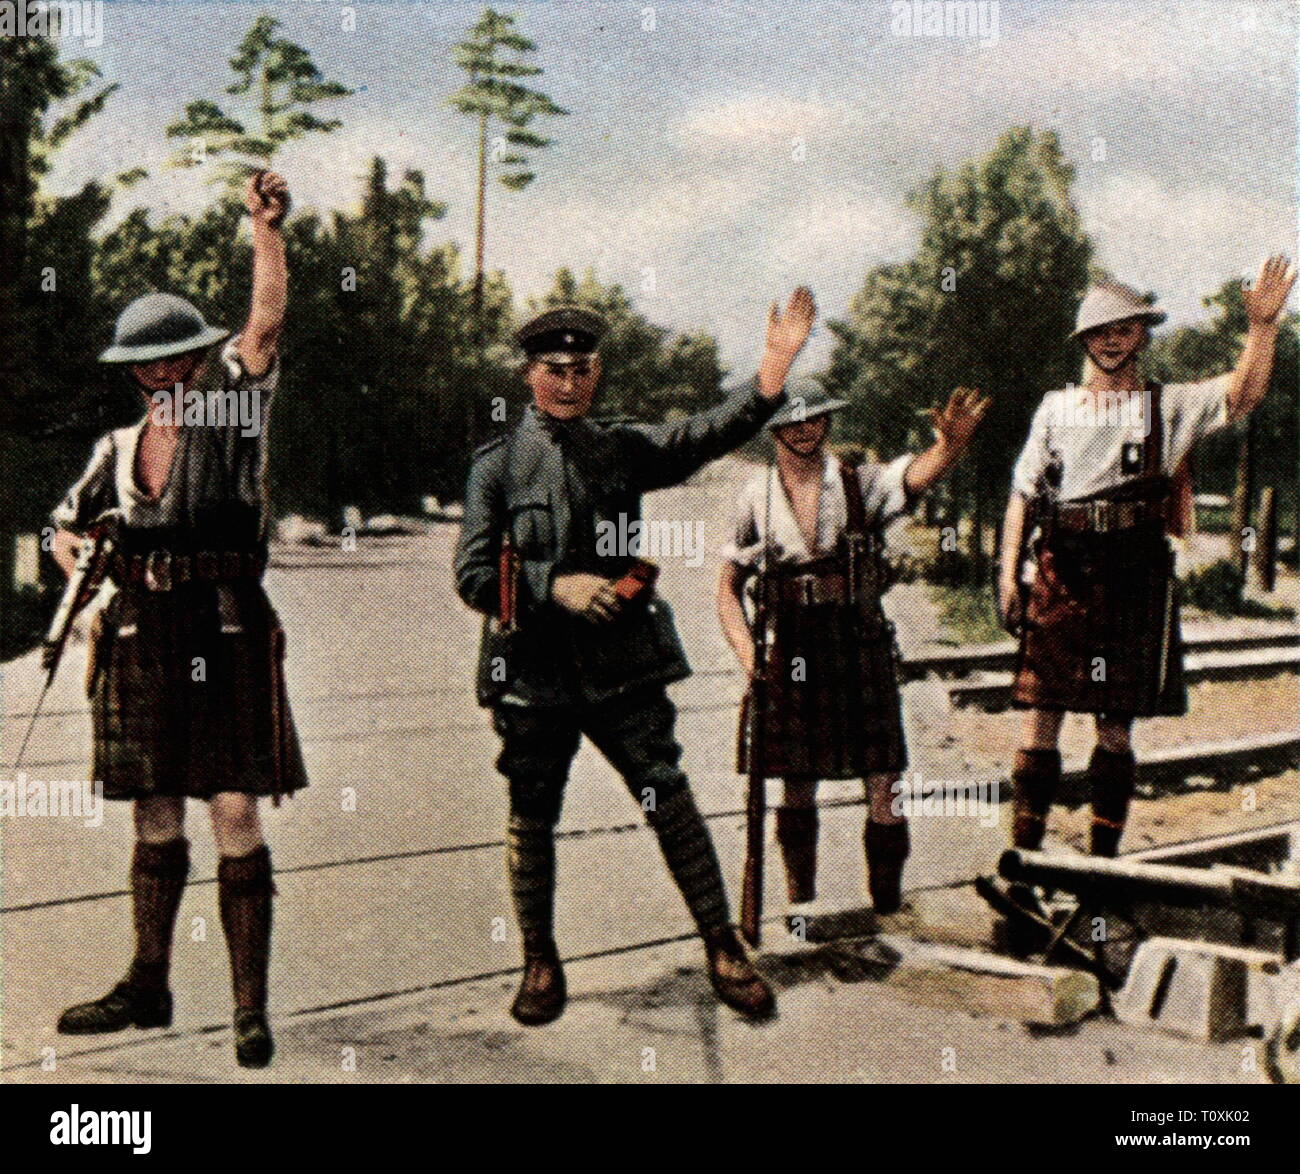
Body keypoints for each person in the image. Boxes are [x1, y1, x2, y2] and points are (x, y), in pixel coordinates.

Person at [454, 289, 817, 1025]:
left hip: (623, 669)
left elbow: (703, 434)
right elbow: (469, 576)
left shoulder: (620, 448)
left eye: (581, 367)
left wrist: (772, 371)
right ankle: (540, 962)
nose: (567, 381)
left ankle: (721, 946)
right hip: (534, 676)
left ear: (597, 373)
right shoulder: (496, 466)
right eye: (553, 368)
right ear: (528, 374)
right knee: (532, 813)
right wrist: (553, 585)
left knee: (667, 796)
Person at [52, 172, 304, 1068]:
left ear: (198, 361)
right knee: (152, 809)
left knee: (234, 806)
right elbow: (66, 527)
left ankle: (248, 1008)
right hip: (141, 634)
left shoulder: (232, 409)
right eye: (145, 365)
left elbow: (265, 325)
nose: (161, 376)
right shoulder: (116, 450)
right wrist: (76, 573)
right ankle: (147, 983)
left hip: (225, 623)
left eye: (174, 361)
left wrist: (263, 230)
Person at [998, 258, 1295, 870]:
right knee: (1041, 717)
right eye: (1102, 331)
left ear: (1142, 336)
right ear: (1083, 339)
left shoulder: (1170, 405)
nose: (1113, 340)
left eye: (1125, 329)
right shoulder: (1056, 408)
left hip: (1133, 570)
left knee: (1115, 727)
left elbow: (1243, 392)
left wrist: (1262, 327)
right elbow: (1023, 494)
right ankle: (1024, 864)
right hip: (1062, 563)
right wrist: (1007, 574)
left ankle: (1102, 867)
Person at [717, 380, 988, 923]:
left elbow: (913, 475)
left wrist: (950, 447)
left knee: (884, 776)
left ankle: (886, 902)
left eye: (814, 418)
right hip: (789, 639)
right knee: (795, 779)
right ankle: (801, 903)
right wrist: (751, 657)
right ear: (774, 429)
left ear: (828, 422)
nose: (804, 429)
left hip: (857, 634)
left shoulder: (859, 483)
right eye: (792, 420)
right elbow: (727, 588)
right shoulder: (754, 494)